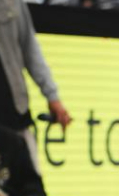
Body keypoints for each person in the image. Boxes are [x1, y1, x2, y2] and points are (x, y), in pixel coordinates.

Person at [0, 0, 72, 171]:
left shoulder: (12, 3)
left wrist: (52, 95)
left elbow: (31, 50)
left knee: (31, 187)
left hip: (15, 115)